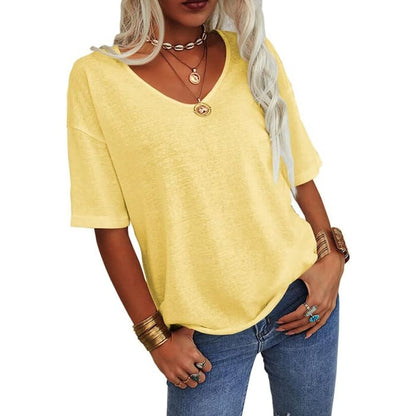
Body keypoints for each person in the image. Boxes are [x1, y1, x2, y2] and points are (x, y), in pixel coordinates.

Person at [66, 0, 350, 414]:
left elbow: (299, 169)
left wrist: (332, 257)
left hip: (301, 301)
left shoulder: (252, 53)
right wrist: (155, 339)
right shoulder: (96, 78)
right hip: (201, 336)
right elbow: (108, 225)